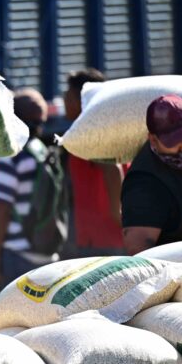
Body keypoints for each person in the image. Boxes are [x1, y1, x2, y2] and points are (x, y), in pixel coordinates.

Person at [0, 88, 58, 286]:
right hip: (47, 250)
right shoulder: (44, 152)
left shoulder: (12, 157)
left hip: (17, 255)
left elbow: (2, 208)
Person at [63, 68, 126, 257]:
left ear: (81, 100)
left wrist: (117, 213)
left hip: (101, 241)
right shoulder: (102, 126)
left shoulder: (91, 130)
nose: (65, 101)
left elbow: (112, 169)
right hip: (99, 238)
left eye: (68, 96)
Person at [121, 94, 182, 254]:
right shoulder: (144, 184)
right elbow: (139, 251)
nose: (181, 147)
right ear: (153, 139)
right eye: (174, 142)